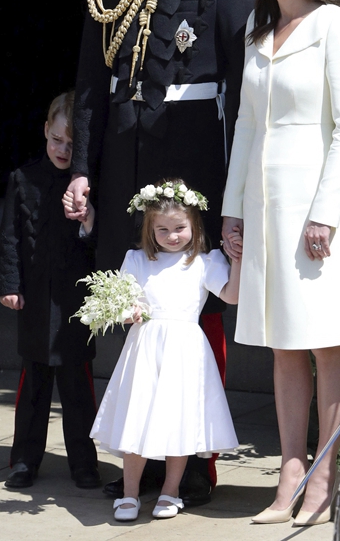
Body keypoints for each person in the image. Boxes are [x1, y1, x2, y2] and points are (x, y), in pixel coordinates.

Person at [66, 0, 257, 503]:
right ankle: (136, 455)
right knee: (129, 304)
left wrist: (238, 190)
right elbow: (93, 85)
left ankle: (194, 459)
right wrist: (86, 170)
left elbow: (247, 86)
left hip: (193, 161)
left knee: (193, 312)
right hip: (126, 163)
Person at [221, 0, 340, 526]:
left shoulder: (335, 25)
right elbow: (248, 131)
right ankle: (289, 473)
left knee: (324, 344)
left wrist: (325, 212)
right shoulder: (261, 33)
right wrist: (232, 212)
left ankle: (323, 476)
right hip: (265, 209)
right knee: (285, 345)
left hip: (316, 208)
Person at [87, 179, 241, 521]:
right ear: (149, 228)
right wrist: (129, 313)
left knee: (178, 421)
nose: (172, 236)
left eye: (180, 228)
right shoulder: (137, 259)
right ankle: (129, 492)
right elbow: (124, 303)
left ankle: (170, 490)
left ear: (194, 225)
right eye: (163, 229)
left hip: (185, 349)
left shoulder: (205, 261)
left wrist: (238, 260)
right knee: (136, 417)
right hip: (145, 348)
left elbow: (231, 295)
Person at [0, 91, 101, 490]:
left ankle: (83, 462)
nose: (62, 149)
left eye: (72, 144)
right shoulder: (23, 179)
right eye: (57, 139)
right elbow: (10, 238)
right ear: (45, 131)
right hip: (36, 299)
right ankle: (24, 459)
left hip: (75, 300)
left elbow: (97, 244)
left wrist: (89, 221)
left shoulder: (87, 187)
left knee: (77, 385)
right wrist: (10, 285)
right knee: (34, 383)